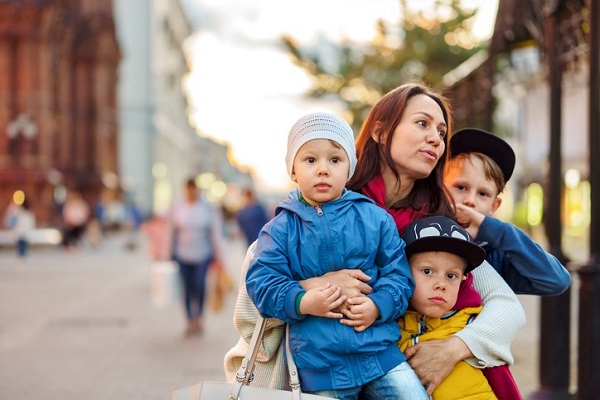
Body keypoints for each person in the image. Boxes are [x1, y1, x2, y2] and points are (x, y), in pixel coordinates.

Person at [225, 82, 526, 395]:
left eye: (441, 131)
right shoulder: (312, 209)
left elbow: (506, 306)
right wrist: (314, 287)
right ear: (382, 132)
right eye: (422, 123)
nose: (435, 138)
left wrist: (453, 349)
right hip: (320, 369)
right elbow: (253, 297)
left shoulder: (435, 225)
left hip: (391, 363)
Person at [245, 111, 427, 399]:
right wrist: (303, 301)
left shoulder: (375, 219)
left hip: (380, 356)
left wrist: (377, 306)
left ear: (349, 169)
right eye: (310, 160)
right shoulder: (279, 229)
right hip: (320, 369)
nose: (323, 169)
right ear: (293, 170)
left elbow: (399, 276)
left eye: (335, 159)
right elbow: (262, 283)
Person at [398, 215, 519, 399]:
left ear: (463, 280)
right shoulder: (388, 330)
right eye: (427, 271)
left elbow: (504, 386)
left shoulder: (474, 327)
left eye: (451, 276)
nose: (441, 284)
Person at [444, 128, 571, 295]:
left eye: (483, 194)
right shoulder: (421, 230)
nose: (470, 200)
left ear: (494, 206)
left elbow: (557, 281)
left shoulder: (498, 256)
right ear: (441, 187)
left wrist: (498, 232)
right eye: (460, 187)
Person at [166, 178, 225, 337]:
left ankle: (198, 317)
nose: (191, 192)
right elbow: (171, 232)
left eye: (194, 189)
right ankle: (189, 320)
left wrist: (220, 257)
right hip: (182, 254)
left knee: (199, 286)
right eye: (189, 189)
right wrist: (167, 254)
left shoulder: (206, 208)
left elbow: (215, 233)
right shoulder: (178, 208)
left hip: (202, 254)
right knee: (186, 287)